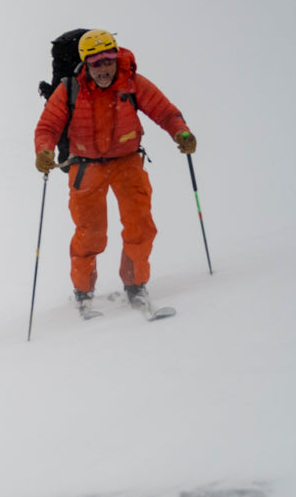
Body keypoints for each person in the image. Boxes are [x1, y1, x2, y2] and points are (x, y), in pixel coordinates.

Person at [34, 29, 196, 314]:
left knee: (140, 226)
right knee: (90, 233)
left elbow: (165, 111)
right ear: (86, 63)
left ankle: (136, 286)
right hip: (84, 166)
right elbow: (48, 126)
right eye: (96, 62)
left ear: (116, 57)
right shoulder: (70, 88)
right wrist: (44, 151)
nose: (103, 68)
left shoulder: (132, 83)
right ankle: (83, 292)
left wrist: (181, 134)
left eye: (108, 59)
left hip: (127, 163)